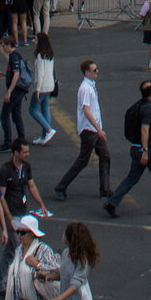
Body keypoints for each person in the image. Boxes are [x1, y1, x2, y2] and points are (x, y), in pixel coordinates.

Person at [105, 83, 151, 218]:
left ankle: (112, 202)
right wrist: (145, 151)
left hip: (135, 147)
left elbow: (143, 127)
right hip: (146, 150)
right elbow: (144, 129)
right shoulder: (148, 109)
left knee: (132, 178)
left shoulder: (138, 106)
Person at [57, 66, 111, 202]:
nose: (97, 71)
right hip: (89, 130)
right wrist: (98, 129)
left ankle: (105, 189)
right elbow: (86, 111)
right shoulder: (85, 89)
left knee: (105, 156)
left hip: (94, 129)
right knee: (83, 160)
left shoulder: (91, 86)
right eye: (94, 70)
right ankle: (61, 186)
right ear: (87, 72)